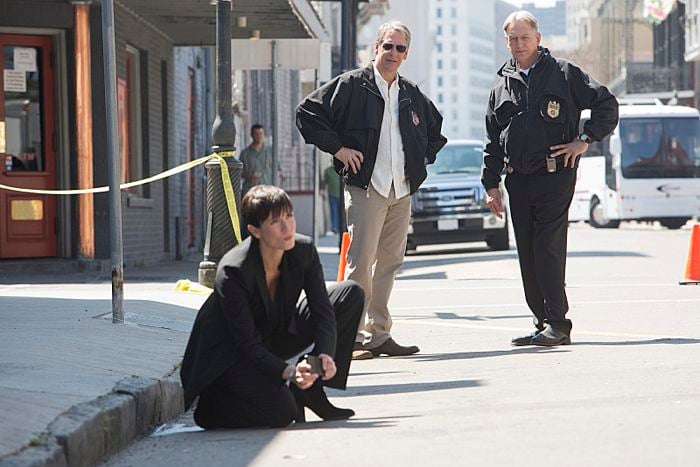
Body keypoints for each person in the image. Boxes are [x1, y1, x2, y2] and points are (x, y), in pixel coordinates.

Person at [296, 21, 447, 360]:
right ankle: (353, 337)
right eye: (388, 46)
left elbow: (435, 133)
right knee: (361, 263)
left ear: (406, 54)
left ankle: (379, 335)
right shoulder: (352, 85)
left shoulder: (410, 93)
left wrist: (418, 162)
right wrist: (339, 150)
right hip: (367, 188)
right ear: (377, 47)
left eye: (400, 48)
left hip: (401, 189)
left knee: (391, 262)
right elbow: (307, 112)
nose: (393, 53)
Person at [482, 11, 618, 347]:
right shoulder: (502, 85)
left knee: (547, 248)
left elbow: (606, 105)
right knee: (527, 251)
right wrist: (490, 185)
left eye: (524, 37)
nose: (518, 44)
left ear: (538, 38)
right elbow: (492, 140)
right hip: (518, 180)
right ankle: (542, 321)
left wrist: (584, 140)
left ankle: (559, 322)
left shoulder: (564, 74)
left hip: (555, 176)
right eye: (512, 39)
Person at [180, 185, 364, 428]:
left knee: (349, 292)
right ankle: (213, 407)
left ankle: (311, 390)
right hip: (229, 356)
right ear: (254, 230)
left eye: (289, 216)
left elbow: (323, 313)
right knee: (282, 412)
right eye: (276, 222)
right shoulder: (233, 271)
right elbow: (246, 344)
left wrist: (322, 359)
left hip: (272, 333)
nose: (288, 228)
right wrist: (289, 373)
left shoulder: (304, 250)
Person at [239, 124, 273, 196]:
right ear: (252, 135)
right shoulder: (245, 153)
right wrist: (249, 176)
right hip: (250, 191)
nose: (259, 136)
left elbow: (277, 170)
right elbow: (239, 172)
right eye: (256, 134)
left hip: (266, 191)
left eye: (261, 133)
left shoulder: (270, 152)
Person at [322, 165, 341, 233]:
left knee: (341, 213)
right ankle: (335, 228)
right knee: (334, 211)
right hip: (332, 195)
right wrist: (322, 191)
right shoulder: (328, 171)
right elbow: (324, 182)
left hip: (342, 196)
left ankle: (341, 227)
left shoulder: (342, 169)